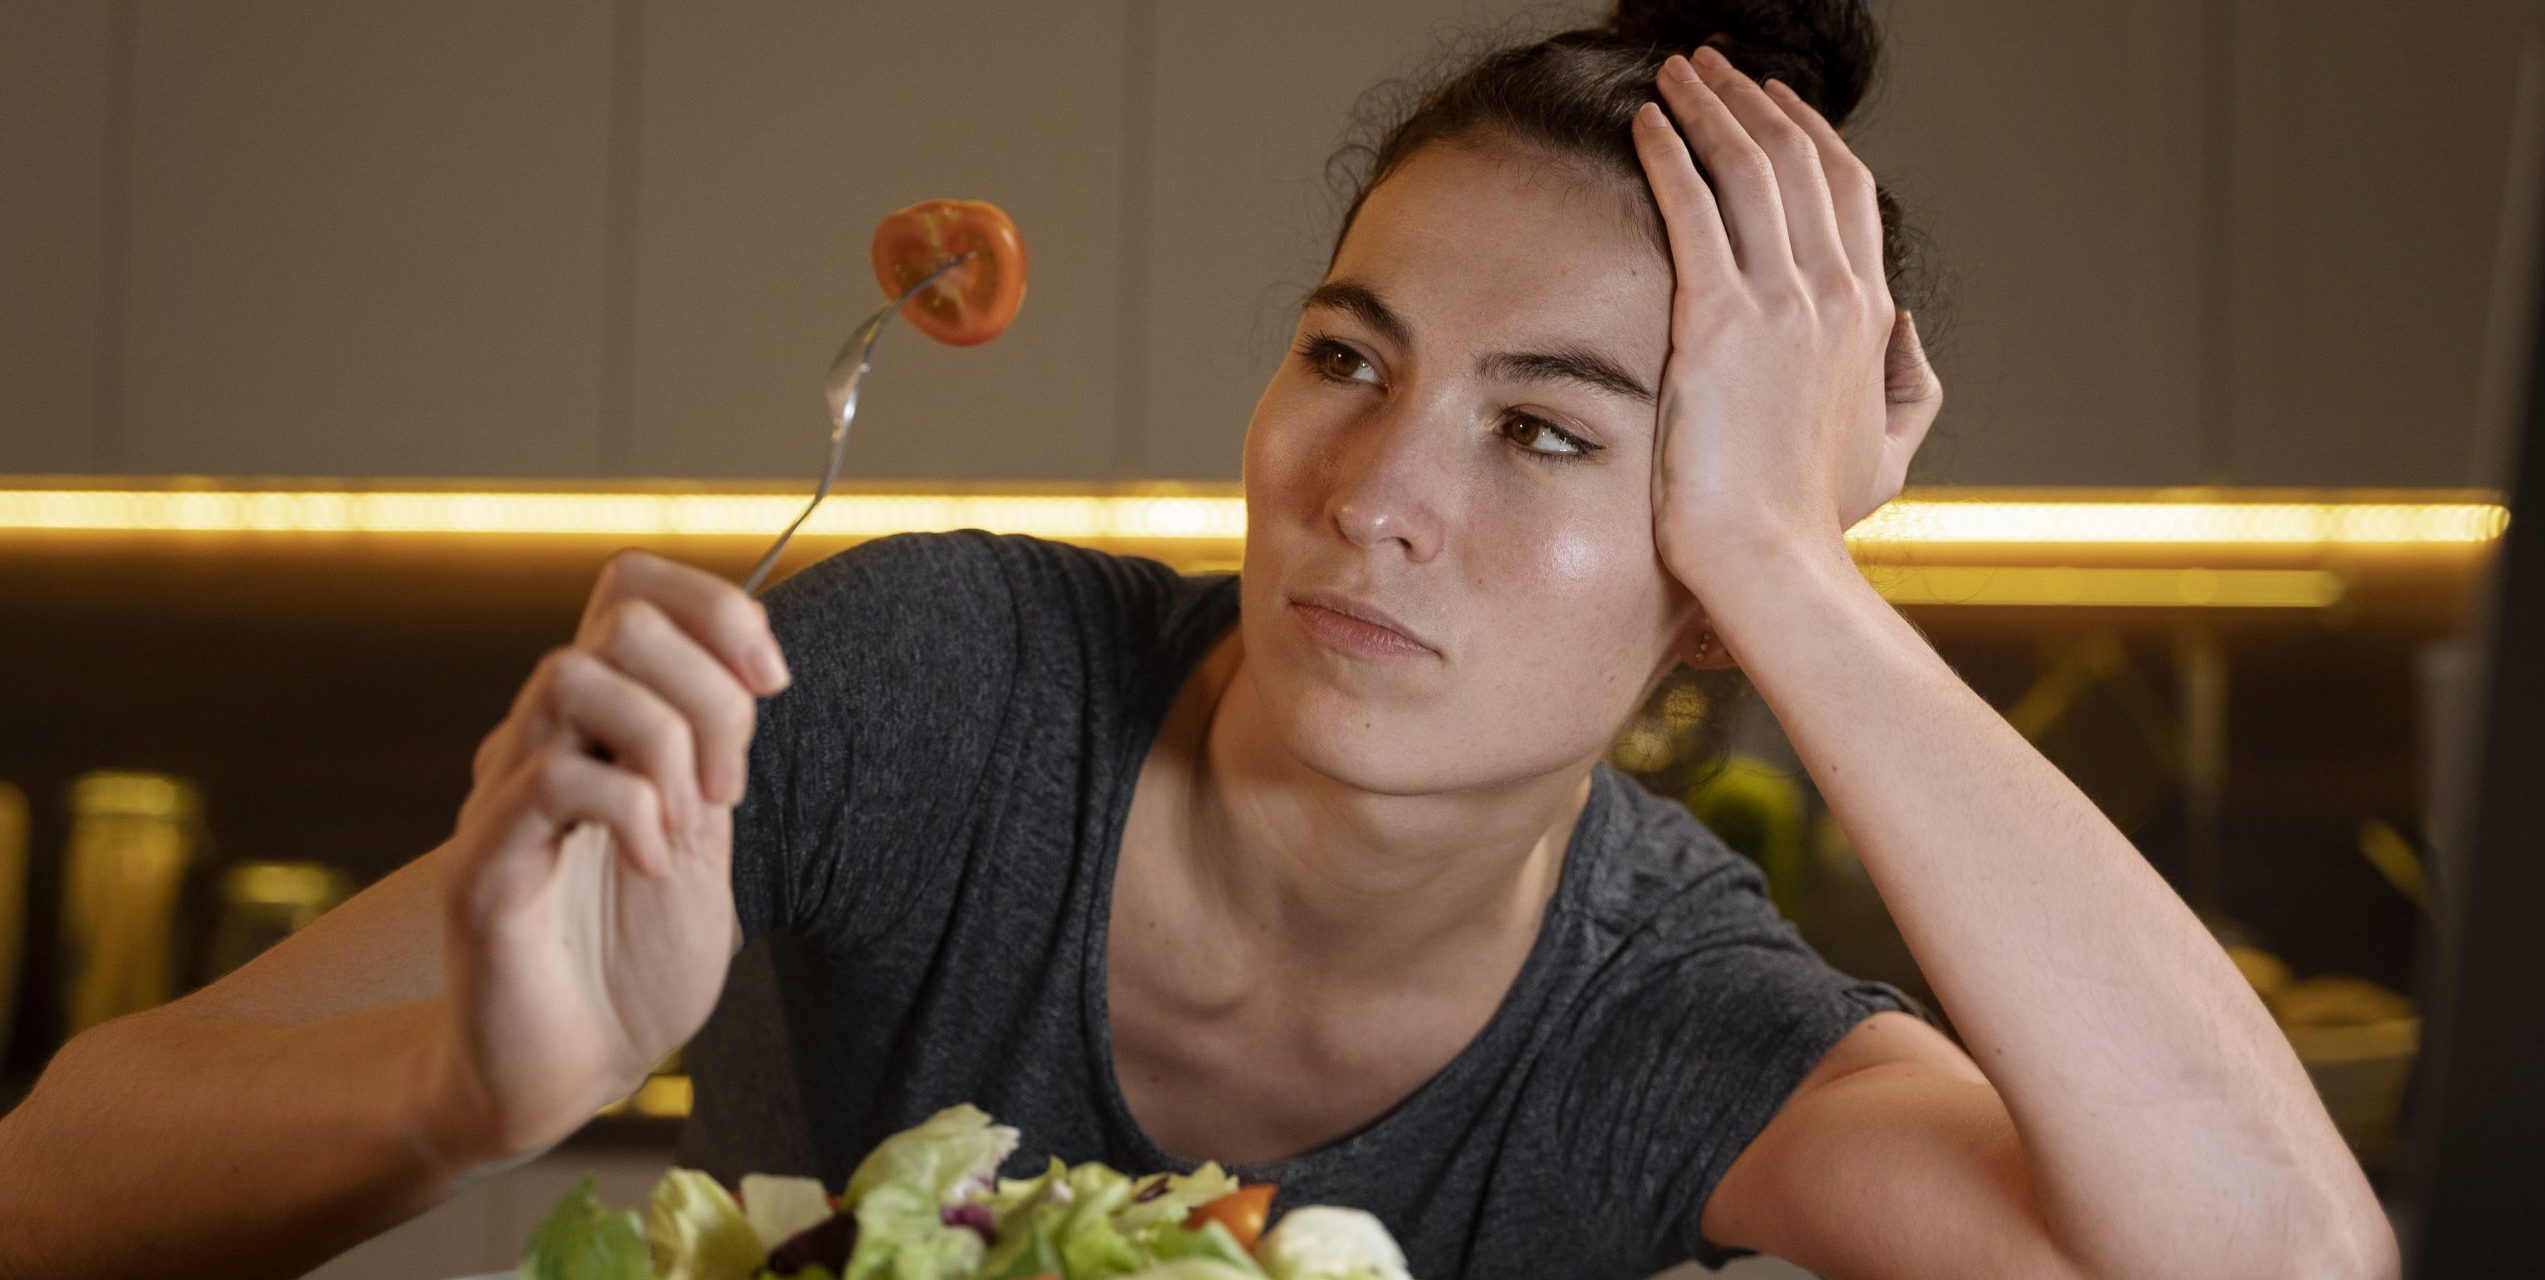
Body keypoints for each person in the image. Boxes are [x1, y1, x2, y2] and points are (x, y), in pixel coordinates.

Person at [0, 3, 2396, 1278]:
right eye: (1346, 356)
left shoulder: (1665, 1026)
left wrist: (1798, 575)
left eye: (1544, 433)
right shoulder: (937, 690)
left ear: (1702, 572)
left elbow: (2281, 1267)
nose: (1369, 488)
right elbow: (54, 1177)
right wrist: (463, 1094)